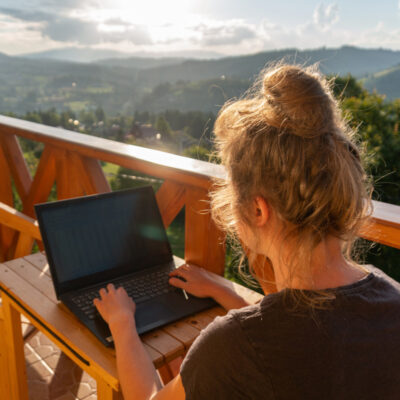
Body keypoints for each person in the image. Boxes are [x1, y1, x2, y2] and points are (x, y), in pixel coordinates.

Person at [93, 64, 400, 399]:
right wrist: (230, 297)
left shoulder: (229, 349)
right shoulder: (391, 299)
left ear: (258, 209)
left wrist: (122, 324)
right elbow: (310, 336)